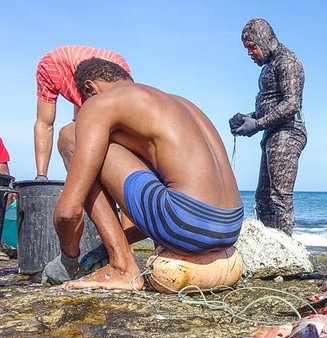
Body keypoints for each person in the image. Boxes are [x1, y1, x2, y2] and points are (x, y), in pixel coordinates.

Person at [43, 58, 243, 290]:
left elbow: (68, 212)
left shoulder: (101, 103)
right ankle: (119, 254)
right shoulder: (179, 103)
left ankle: (121, 267)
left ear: (90, 88)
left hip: (187, 224)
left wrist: (67, 259)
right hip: (231, 227)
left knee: (71, 135)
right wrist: (103, 248)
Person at [229, 18, 306, 236]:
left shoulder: (287, 61)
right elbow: (271, 105)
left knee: (279, 195)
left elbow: (291, 103)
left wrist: (258, 124)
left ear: (263, 40)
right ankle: (270, 245)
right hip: (273, 133)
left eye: (251, 47)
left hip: (288, 132)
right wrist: (247, 118)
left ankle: (287, 250)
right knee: (262, 198)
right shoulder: (268, 68)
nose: (249, 53)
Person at [34, 45, 131, 179]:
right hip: (62, 70)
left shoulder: (116, 67)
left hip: (106, 89)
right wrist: (41, 177)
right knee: (70, 138)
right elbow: (45, 123)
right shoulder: (51, 66)